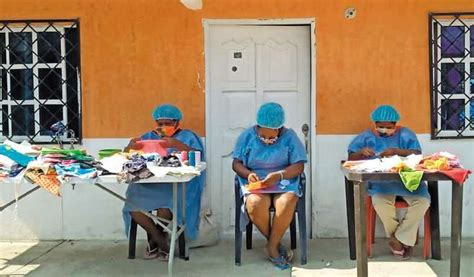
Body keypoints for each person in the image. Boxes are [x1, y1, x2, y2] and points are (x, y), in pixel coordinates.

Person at [122, 104, 205, 260]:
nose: (163, 127)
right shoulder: (148, 136)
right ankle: (162, 242)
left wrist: (176, 144)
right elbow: (128, 157)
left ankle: (154, 243)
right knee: (133, 205)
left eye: (168, 123)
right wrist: (130, 147)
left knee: (165, 207)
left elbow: (198, 156)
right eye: (160, 124)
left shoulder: (188, 136)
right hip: (149, 183)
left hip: (175, 183)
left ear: (177, 122)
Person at [347, 105, 430, 259]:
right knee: (379, 202)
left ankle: (397, 239)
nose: (384, 130)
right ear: (375, 124)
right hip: (381, 183)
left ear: (395, 124)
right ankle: (402, 240)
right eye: (380, 127)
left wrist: (397, 151)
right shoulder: (366, 136)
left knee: (423, 201)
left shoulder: (406, 134)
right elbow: (350, 157)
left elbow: (418, 153)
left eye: (388, 127)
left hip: (408, 182)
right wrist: (361, 152)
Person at [232, 102, 307, 270]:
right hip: (256, 181)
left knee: (285, 203)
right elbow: (236, 163)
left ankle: (272, 247)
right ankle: (274, 244)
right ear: (257, 127)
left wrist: (279, 175)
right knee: (254, 204)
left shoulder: (290, 137)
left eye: (271, 138)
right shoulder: (247, 136)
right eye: (263, 137)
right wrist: (248, 174)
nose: (267, 141)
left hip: (284, 180)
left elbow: (299, 166)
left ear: (279, 129)